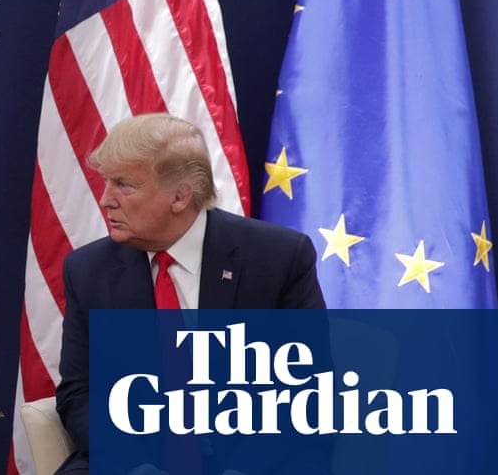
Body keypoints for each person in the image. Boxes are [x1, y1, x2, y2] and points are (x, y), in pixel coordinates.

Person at [54, 113, 327, 475]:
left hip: (253, 458)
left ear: (181, 196)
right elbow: (79, 392)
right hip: (137, 457)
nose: (106, 200)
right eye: (107, 182)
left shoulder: (278, 259)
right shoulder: (89, 271)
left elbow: (305, 391)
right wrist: (135, 466)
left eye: (124, 185)